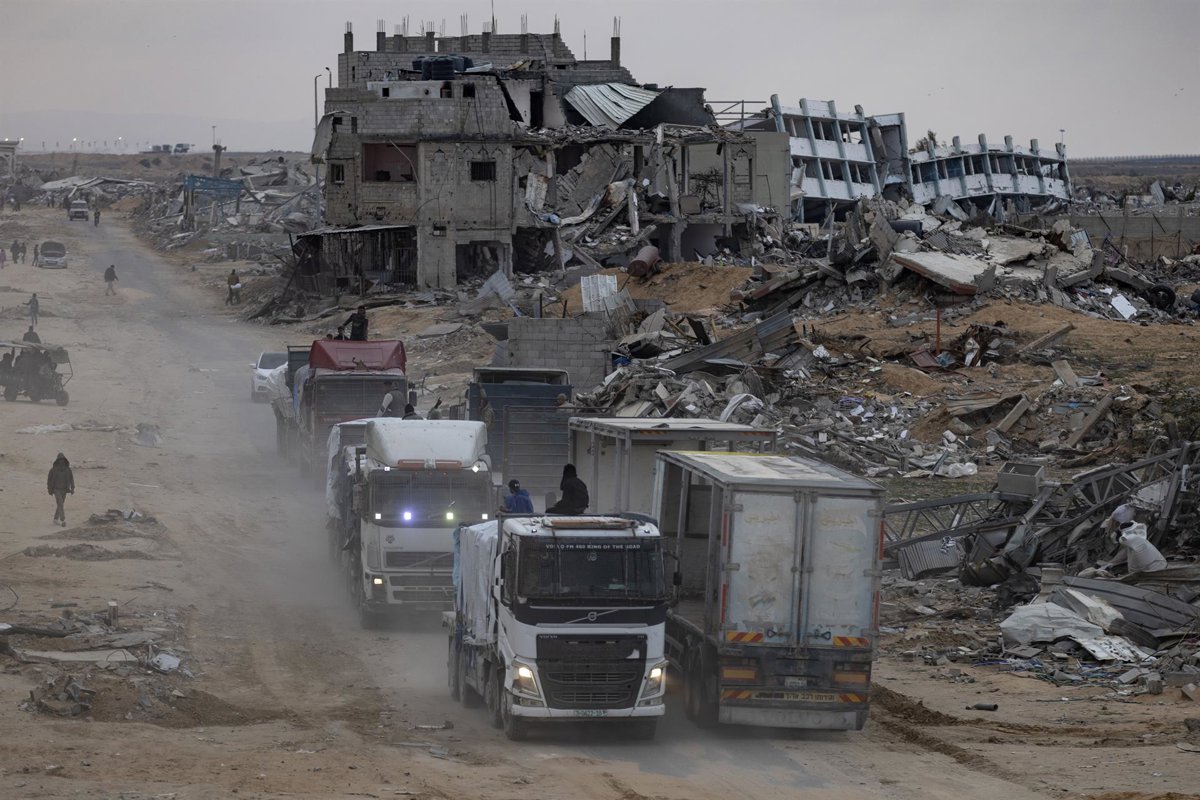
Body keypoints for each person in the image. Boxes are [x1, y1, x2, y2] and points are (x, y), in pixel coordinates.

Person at [47, 453, 75, 527]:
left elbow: (71, 479)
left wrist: (72, 488)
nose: (61, 461)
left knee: (60, 504)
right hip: (56, 490)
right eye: (60, 459)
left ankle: (55, 519)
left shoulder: (68, 470)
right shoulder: (53, 470)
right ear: (57, 460)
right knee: (60, 503)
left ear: (65, 460)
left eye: (62, 459)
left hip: (65, 490)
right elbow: (49, 480)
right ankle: (63, 520)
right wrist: (49, 489)